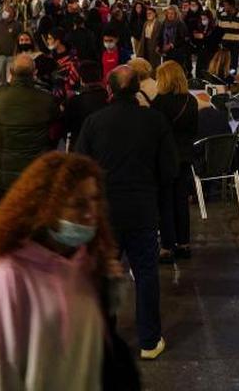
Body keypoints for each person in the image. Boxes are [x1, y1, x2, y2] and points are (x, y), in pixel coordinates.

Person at [0, 152, 120, 390]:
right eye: (78, 204)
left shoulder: (86, 263)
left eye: (95, 200)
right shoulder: (8, 276)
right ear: (46, 207)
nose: (91, 213)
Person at [74, 65, 176, 360]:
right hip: (143, 209)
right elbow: (169, 168)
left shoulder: (94, 122)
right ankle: (149, 340)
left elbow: (79, 167)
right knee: (146, 273)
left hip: (105, 211)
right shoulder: (155, 121)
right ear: (137, 89)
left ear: (109, 90)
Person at [0, 53, 58, 207]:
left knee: (0, 217)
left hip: (1, 173)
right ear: (34, 73)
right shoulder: (46, 99)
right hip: (33, 172)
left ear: (11, 72)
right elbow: (56, 117)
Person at [151, 60, 198, 262]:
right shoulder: (191, 100)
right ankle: (184, 243)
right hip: (185, 155)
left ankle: (167, 246)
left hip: (165, 157)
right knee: (181, 201)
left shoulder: (159, 103)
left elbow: (155, 133)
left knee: (165, 202)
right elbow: (194, 130)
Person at [64, 60, 108, 147]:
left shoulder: (74, 100)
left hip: (82, 145)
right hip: (105, 143)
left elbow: (67, 126)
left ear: (81, 79)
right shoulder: (109, 97)